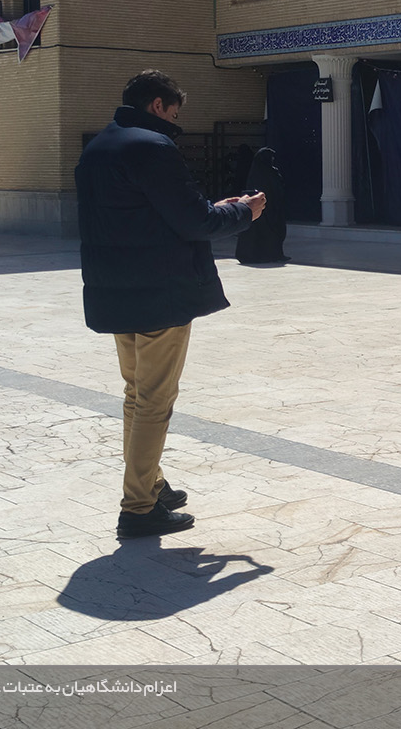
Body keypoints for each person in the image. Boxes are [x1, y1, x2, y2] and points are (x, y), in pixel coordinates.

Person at [77, 69, 263, 539]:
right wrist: (243, 211)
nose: (176, 122)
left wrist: (216, 207)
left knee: (137, 395)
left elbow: (155, 213)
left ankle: (151, 484)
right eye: (175, 113)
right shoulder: (153, 147)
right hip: (159, 292)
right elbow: (194, 222)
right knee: (154, 401)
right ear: (158, 105)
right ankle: (139, 507)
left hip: (115, 288)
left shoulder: (98, 148)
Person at [235, 147, 290, 263]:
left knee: (273, 232)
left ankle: (274, 254)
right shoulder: (261, 173)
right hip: (262, 208)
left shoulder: (268, 171)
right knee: (263, 232)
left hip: (271, 207)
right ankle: (263, 255)